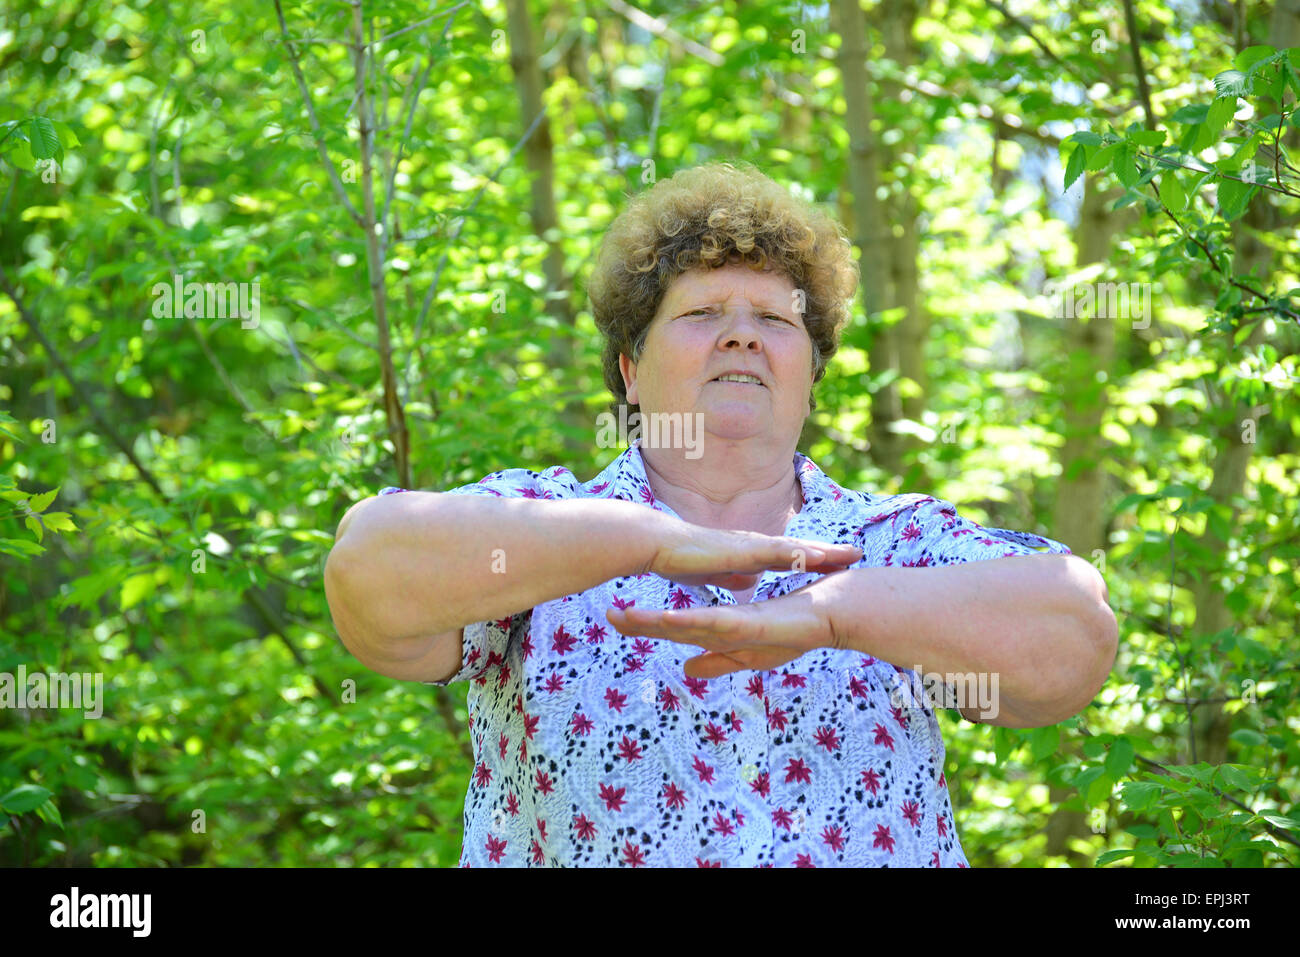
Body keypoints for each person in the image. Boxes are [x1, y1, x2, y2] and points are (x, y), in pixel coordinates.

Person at [323, 161, 1118, 867]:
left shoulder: (894, 542)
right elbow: (367, 572)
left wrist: (836, 614)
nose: (742, 335)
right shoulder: (541, 525)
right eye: (703, 314)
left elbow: (1074, 634)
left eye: (776, 321)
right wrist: (648, 541)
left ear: (810, 377)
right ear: (631, 370)